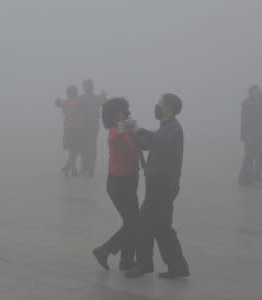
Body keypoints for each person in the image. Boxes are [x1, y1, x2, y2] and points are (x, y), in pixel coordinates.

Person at [123, 93, 190, 279]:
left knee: (144, 224)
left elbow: (161, 144)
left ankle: (143, 264)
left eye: (160, 104)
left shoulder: (173, 129)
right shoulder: (165, 128)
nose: (156, 106)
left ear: (168, 107)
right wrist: (131, 132)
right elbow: (147, 144)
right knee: (162, 227)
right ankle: (178, 266)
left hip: (163, 185)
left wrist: (138, 129)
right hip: (160, 184)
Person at [92, 98, 140, 271]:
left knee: (131, 223)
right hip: (119, 183)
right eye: (123, 110)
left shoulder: (125, 131)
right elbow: (115, 136)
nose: (127, 112)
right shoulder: (115, 131)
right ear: (114, 114)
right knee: (134, 222)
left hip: (129, 181)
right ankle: (105, 250)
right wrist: (126, 125)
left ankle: (126, 261)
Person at [78, 79, 107, 177]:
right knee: (85, 147)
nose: (85, 87)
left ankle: (90, 169)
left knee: (90, 147)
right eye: (85, 85)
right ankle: (86, 168)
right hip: (85, 126)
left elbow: (104, 102)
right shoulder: (82, 98)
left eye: (86, 85)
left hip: (91, 126)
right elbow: (104, 102)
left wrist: (103, 97)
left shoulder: (90, 98)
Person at [55, 85, 83, 177]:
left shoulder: (66, 102)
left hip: (68, 129)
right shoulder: (76, 102)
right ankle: (70, 169)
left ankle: (69, 169)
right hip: (75, 129)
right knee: (75, 149)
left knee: (73, 149)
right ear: (74, 93)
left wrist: (59, 102)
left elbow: (58, 104)